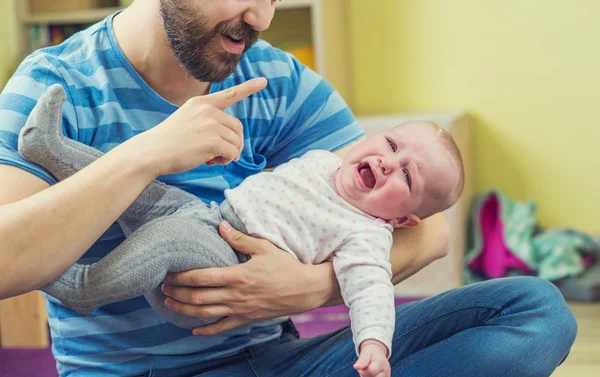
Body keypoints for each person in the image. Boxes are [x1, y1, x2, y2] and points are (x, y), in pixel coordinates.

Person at [0, 1, 576, 376]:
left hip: (271, 361)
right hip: (135, 371)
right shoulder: (55, 83)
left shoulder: (271, 78)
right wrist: (144, 155)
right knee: (164, 219)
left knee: (534, 308)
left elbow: (432, 231)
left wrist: (306, 288)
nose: (262, 17)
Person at [19, 86, 465, 377]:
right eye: (391, 144)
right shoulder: (331, 161)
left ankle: (83, 287)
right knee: (139, 188)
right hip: (213, 216)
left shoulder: (367, 235)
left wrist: (374, 346)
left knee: (167, 238)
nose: (389, 162)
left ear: (404, 220)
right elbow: (264, 180)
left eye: (407, 177)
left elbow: (372, 292)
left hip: (225, 275)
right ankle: (51, 149)